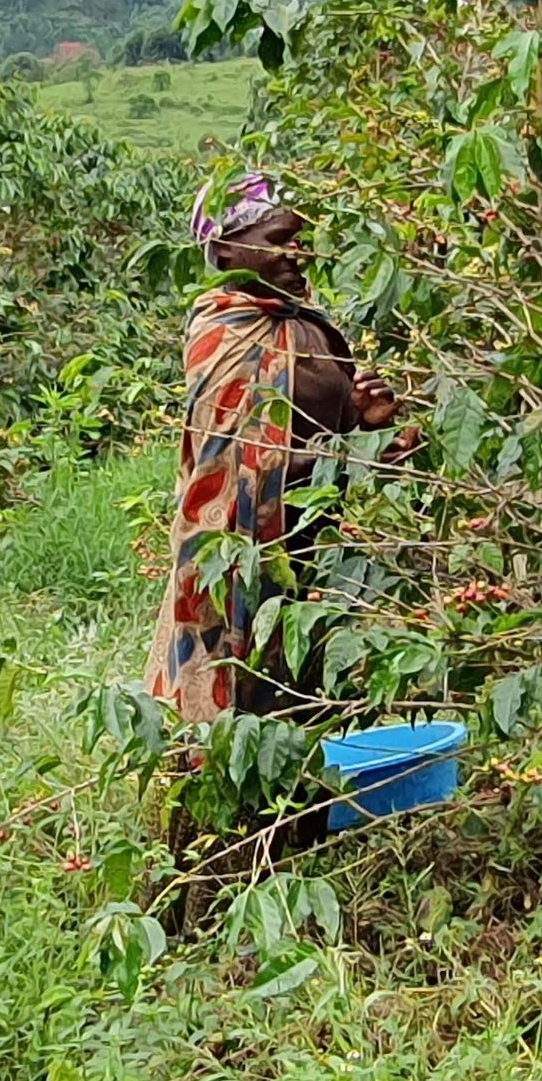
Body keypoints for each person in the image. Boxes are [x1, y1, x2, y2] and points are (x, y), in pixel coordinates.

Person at [148, 175, 403, 725]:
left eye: (297, 238)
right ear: (225, 251)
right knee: (242, 712)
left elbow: (323, 434)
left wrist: (366, 426)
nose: (296, 251)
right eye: (278, 237)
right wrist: (358, 458)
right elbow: (241, 463)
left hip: (314, 554)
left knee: (311, 709)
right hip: (241, 561)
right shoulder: (225, 331)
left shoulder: (306, 324)